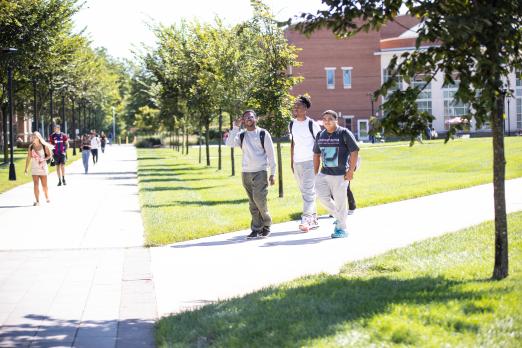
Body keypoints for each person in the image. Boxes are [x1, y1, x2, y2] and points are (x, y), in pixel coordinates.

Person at [226, 110, 277, 239]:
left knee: (259, 200)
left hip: (260, 171)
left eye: (251, 116)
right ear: (243, 121)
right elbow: (229, 143)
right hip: (246, 172)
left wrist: (273, 173)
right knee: (252, 203)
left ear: (256, 119)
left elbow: (271, 154)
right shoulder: (241, 135)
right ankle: (256, 228)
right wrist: (235, 127)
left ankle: (266, 224)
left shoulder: (263, 133)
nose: (249, 118)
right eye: (246, 117)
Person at [313, 110, 359, 238]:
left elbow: (354, 152)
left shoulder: (344, 133)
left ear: (336, 120)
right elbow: (316, 154)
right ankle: (339, 217)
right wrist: (315, 173)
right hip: (324, 173)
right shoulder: (320, 135)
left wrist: (350, 171)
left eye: (330, 119)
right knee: (322, 197)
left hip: (340, 175)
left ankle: (341, 229)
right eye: (324, 119)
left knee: (340, 202)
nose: (327, 121)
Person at [289, 95, 322, 232]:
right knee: (306, 192)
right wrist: (291, 162)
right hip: (297, 162)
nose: (296, 108)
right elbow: (293, 143)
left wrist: (318, 163)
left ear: (305, 109)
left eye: (299, 106)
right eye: (295, 106)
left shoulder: (312, 124)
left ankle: (306, 219)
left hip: (310, 161)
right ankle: (313, 219)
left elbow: (320, 144)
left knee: (308, 191)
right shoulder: (291, 124)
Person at [24, 131, 54, 205]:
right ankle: (37, 201)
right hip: (34, 168)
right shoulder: (31, 147)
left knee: (44, 185)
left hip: (43, 168)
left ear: (38, 138)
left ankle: (47, 197)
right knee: (36, 184)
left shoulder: (44, 146)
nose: (33, 138)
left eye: (35, 137)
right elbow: (28, 158)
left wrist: (43, 159)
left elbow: (49, 155)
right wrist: (26, 168)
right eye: (33, 137)